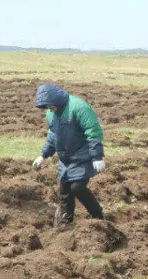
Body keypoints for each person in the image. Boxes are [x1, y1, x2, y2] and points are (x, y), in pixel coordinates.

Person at [32, 83, 106, 225]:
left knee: (77, 187)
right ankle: (66, 220)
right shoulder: (51, 112)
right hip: (65, 157)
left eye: (50, 106)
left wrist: (97, 156)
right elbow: (53, 135)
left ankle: (98, 216)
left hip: (83, 154)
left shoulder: (78, 107)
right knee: (64, 188)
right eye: (47, 107)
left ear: (56, 101)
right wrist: (43, 155)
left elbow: (93, 131)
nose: (49, 110)